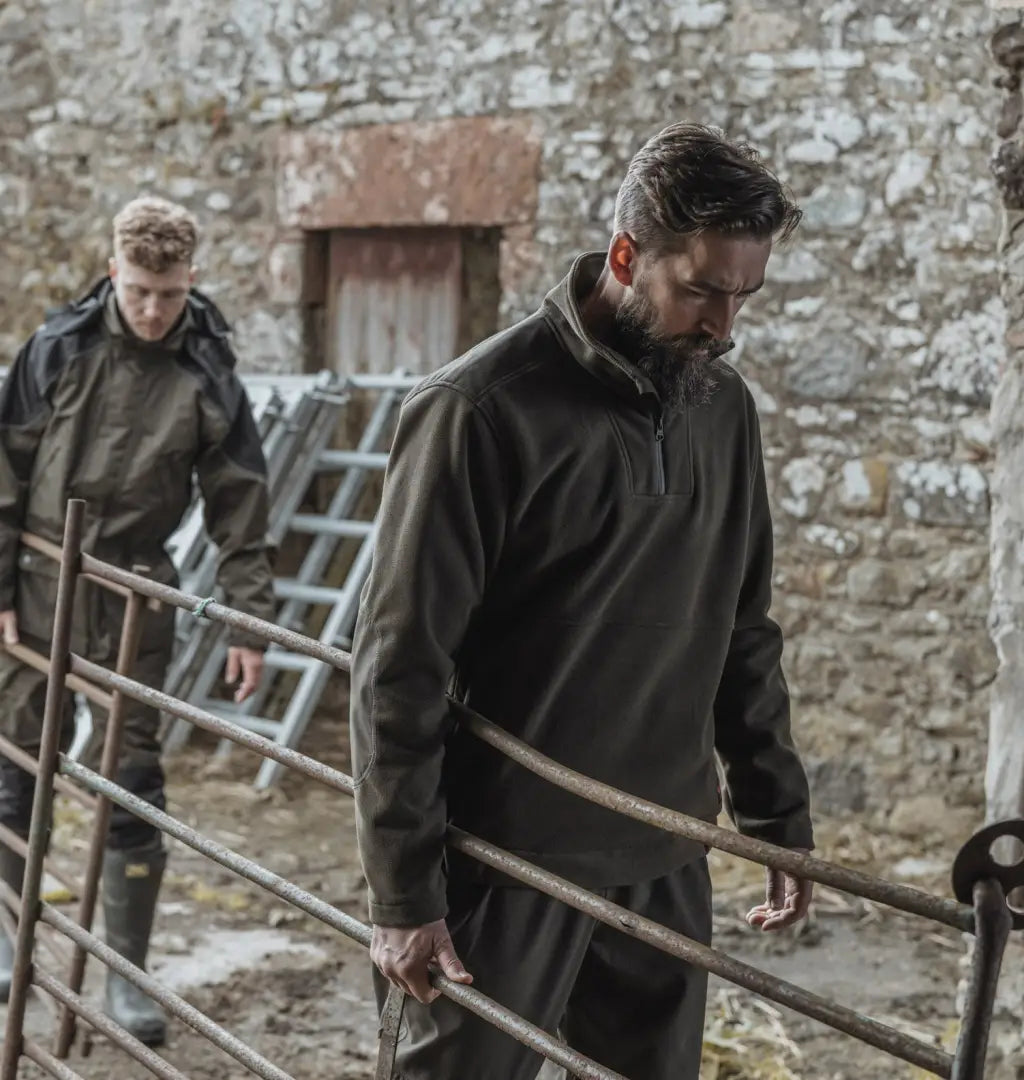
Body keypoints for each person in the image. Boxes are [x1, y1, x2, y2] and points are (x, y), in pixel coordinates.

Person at [350, 123, 815, 1080]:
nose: (724, 326)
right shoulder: (478, 409)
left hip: (664, 856)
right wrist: (403, 889)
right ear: (624, 256)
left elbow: (743, 625)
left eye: (743, 297)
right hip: (501, 862)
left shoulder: (723, 411)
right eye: (700, 290)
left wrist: (776, 813)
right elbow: (400, 667)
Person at [0, 196, 275, 1045]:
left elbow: (241, 503)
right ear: (115, 271)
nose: (153, 311)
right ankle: (12, 940)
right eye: (140, 292)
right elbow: (5, 470)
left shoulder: (207, 370)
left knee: (130, 779)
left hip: (136, 594)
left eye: (168, 293)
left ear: (189, 279)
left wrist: (248, 621)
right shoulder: (58, 350)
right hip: (42, 580)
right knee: (15, 761)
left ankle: (124, 972)